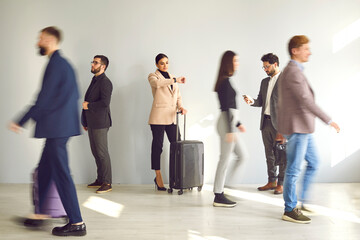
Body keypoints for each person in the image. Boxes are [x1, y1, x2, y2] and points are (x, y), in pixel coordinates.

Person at [9, 26, 86, 236]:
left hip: (58, 128)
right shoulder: (64, 65)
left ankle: (77, 223)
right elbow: (74, 95)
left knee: (61, 174)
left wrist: (21, 120)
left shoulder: (56, 64)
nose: (37, 43)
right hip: (60, 127)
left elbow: (43, 99)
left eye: (40, 39)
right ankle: (41, 214)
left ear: (50, 40)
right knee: (44, 170)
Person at [277, 35, 340, 224]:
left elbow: (285, 101)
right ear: (295, 50)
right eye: (306, 48)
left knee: (313, 162)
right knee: (294, 169)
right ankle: (289, 209)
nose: (309, 52)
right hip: (298, 128)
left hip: (303, 126)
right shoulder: (293, 72)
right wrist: (328, 120)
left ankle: (303, 202)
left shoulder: (294, 71)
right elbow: (306, 100)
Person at [243, 53, 286, 194]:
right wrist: (252, 101)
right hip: (265, 123)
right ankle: (272, 181)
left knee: (282, 155)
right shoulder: (264, 82)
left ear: (275, 64)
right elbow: (260, 101)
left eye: (267, 66)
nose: (265, 69)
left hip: (280, 125)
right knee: (269, 155)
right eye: (263, 67)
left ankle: (281, 183)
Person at [213, 50, 248, 207]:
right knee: (224, 159)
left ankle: (226, 187)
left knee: (243, 156)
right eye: (235, 61)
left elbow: (230, 108)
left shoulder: (226, 81)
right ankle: (218, 195)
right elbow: (227, 108)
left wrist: (238, 124)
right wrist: (230, 130)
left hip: (231, 123)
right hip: (227, 124)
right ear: (228, 63)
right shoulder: (225, 82)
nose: (237, 64)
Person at [148, 53, 187, 191]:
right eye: (162, 63)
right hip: (158, 117)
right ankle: (157, 175)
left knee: (178, 146)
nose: (165, 65)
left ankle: (180, 177)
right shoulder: (153, 76)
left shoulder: (172, 78)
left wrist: (181, 106)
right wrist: (175, 80)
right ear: (157, 65)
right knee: (158, 147)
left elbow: (178, 96)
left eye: (167, 62)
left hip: (171, 117)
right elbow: (158, 84)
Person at [81, 55, 113, 194]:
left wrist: (89, 106)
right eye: (92, 62)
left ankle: (107, 182)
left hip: (100, 122)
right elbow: (87, 101)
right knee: (95, 152)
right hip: (92, 122)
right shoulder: (94, 80)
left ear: (103, 66)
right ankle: (100, 179)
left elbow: (105, 103)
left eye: (95, 63)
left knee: (102, 153)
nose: (92, 64)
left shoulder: (105, 82)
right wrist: (85, 121)